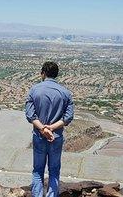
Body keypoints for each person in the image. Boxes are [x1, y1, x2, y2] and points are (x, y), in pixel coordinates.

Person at [25, 61, 74, 197]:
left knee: (37, 170)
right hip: (56, 137)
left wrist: (42, 129)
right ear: (56, 74)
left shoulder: (34, 90)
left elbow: (30, 115)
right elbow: (68, 117)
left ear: (43, 73)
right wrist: (51, 128)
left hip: (39, 137)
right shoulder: (65, 93)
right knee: (54, 170)